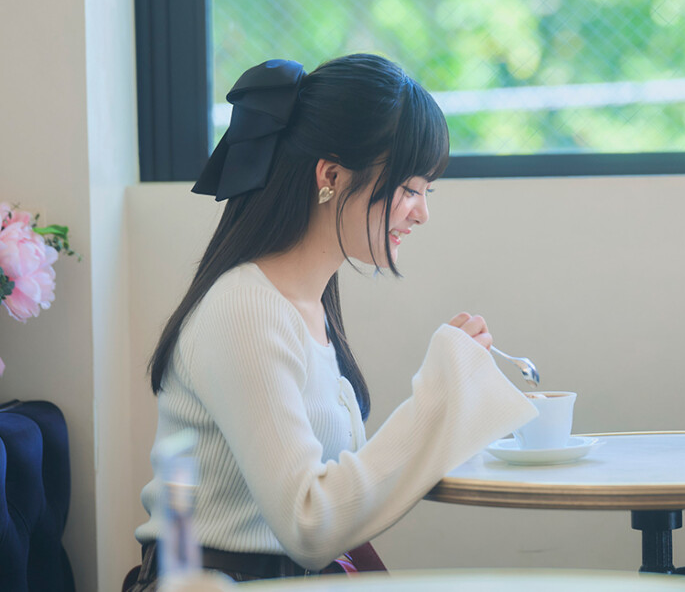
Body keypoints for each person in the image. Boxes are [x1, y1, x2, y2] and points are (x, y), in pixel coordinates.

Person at [124, 54, 537, 589]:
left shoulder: (306, 306)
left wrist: (452, 390)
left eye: (425, 192)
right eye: (409, 189)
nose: (421, 212)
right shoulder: (245, 309)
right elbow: (311, 522)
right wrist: (443, 390)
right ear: (332, 175)